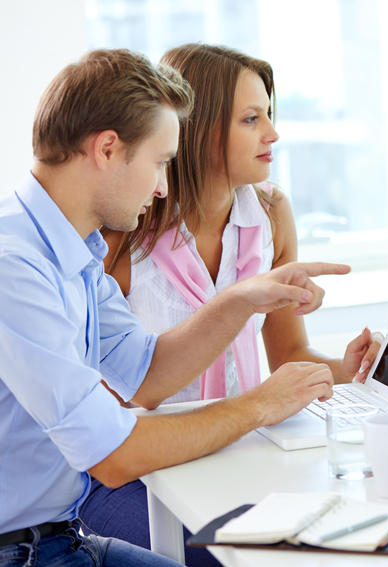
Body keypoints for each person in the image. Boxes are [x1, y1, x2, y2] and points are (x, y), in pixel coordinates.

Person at [0, 48, 347, 567]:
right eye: (160, 162)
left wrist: (238, 300)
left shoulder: (76, 250)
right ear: (108, 149)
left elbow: (145, 374)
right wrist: (259, 405)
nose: (164, 184)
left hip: (60, 538)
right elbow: (112, 454)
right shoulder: (14, 266)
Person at [78, 43, 382, 566]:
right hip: (135, 471)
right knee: (227, 557)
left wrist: (345, 368)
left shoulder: (270, 212)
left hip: (238, 447)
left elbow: (289, 354)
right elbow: (114, 404)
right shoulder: (123, 230)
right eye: (251, 119)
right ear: (198, 128)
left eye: (269, 114)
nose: (273, 134)